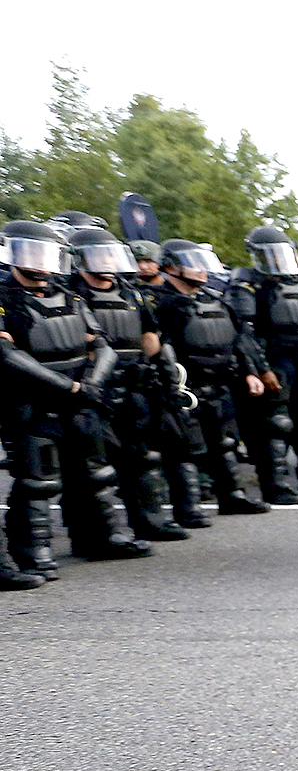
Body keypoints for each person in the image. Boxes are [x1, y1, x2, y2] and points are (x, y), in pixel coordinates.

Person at [0, 220, 152, 576]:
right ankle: (32, 551)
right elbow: (6, 355)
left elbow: (101, 345)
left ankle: (102, 537)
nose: (39, 262)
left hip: (81, 397)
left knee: (96, 472)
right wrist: (68, 388)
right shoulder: (5, 298)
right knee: (38, 481)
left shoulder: (71, 296)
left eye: (45, 253)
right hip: (32, 402)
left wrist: (91, 385)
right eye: (31, 252)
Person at [65, 225, 190, 541]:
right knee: (93, 467)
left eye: (110, 254)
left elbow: (151, 337)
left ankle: (149, 521)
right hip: (93, 390)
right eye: (99, 255)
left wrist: (166, 377)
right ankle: (95, 534)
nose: (106, 262)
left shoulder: (130, 292)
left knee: (140, 458)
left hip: (134, 387)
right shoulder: (71, 294)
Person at [156, 240, 272, 521]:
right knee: (185, 448)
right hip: (185, 387)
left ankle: (232, 495)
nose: (200, 271)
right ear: (171, 267)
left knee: (225, 443)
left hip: (221, 384)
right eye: (191, 264)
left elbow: (239, 340)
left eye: (201, 263)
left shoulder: (216, 299)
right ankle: (188, 508)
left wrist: (249, 372)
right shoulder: (160, 303)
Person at [227, 226, 298, 499]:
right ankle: (277, 485)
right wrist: (261, 369)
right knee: (275, 423)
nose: (277, 259)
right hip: (274, 357)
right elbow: (245, 331)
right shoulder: (247, 283)